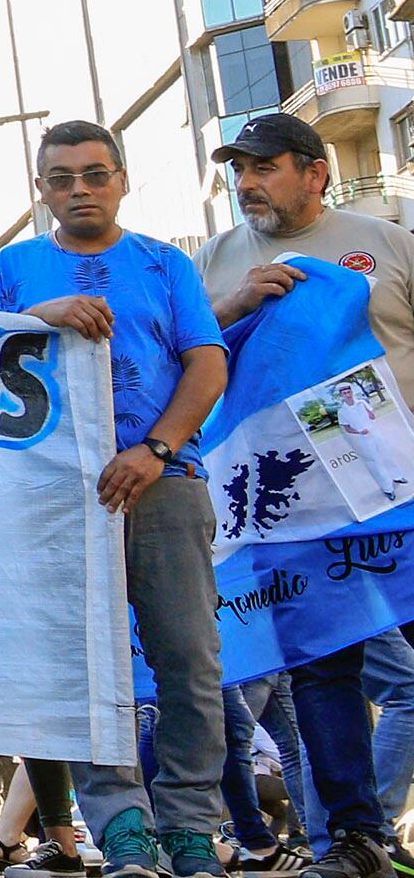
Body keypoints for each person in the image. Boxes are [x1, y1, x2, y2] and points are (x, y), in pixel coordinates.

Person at [0, 121, 230, 878]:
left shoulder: (164, 263)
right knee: (85, 665)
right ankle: (121, 828)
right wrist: (43, 315)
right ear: (41, 190)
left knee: (189, 662)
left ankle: (191, 828)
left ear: (121, 179)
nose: (80, 190)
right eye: (61, 179)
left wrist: (155, 450)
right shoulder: (14, 267)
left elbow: (207, 364)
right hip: (57, 496)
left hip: (164, 485)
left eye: (94, 174)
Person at [194, 113, 414, 878]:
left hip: (398, 489)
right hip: (292, 507)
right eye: (239, 170)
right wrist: (232, 307)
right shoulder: (214, 262)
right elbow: (175, 361)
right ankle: (357, 839)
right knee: (322, 669)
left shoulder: (387, 244)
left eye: (264, 167)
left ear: (316, 173)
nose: (247, 183)